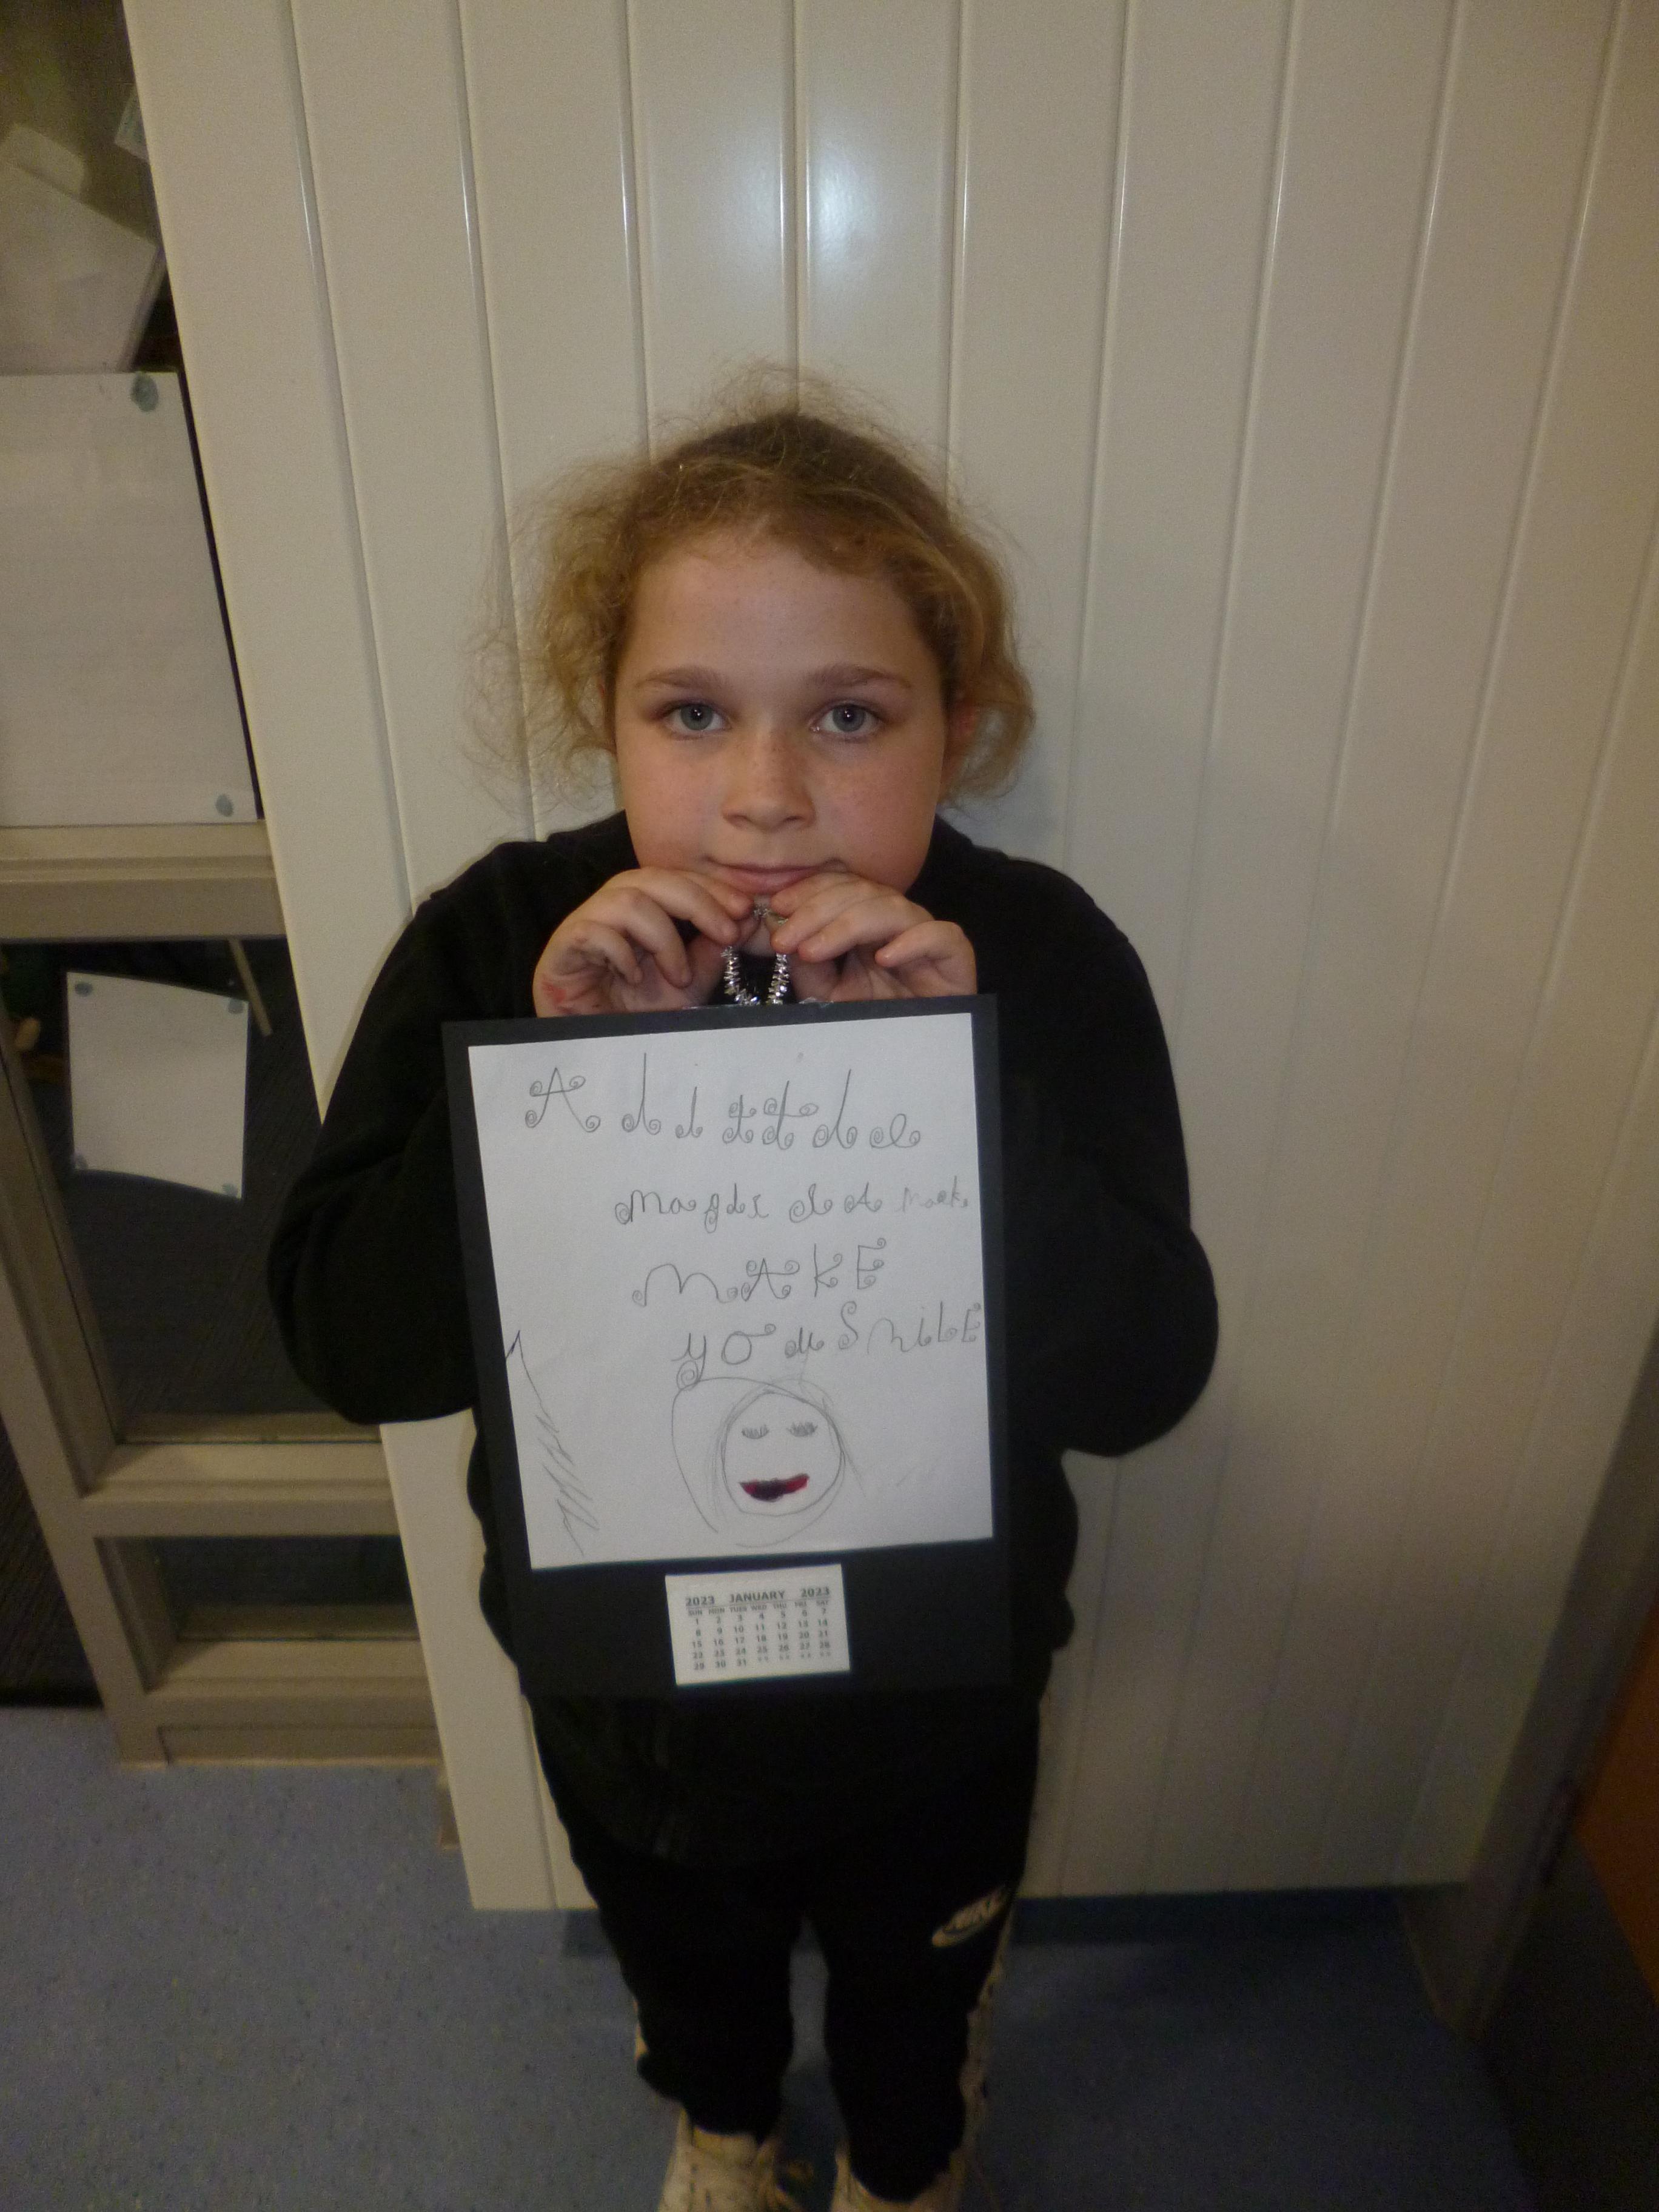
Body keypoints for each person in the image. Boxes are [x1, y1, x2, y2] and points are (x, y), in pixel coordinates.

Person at [269, 383, 1218, 2212]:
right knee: (688, 1970)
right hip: (630, 1697)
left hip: (934, 1692)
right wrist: (537, 1077)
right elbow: (349, 1343)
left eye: (849, 715)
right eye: (693, 712)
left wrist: (958, 1085)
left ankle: (908, 2155)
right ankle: (723, 2121)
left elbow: (1143, 1374)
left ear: (956, 727)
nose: (767, 795)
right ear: (607, 715)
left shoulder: (1037, 962)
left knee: (913, 1984)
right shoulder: (506, 941)